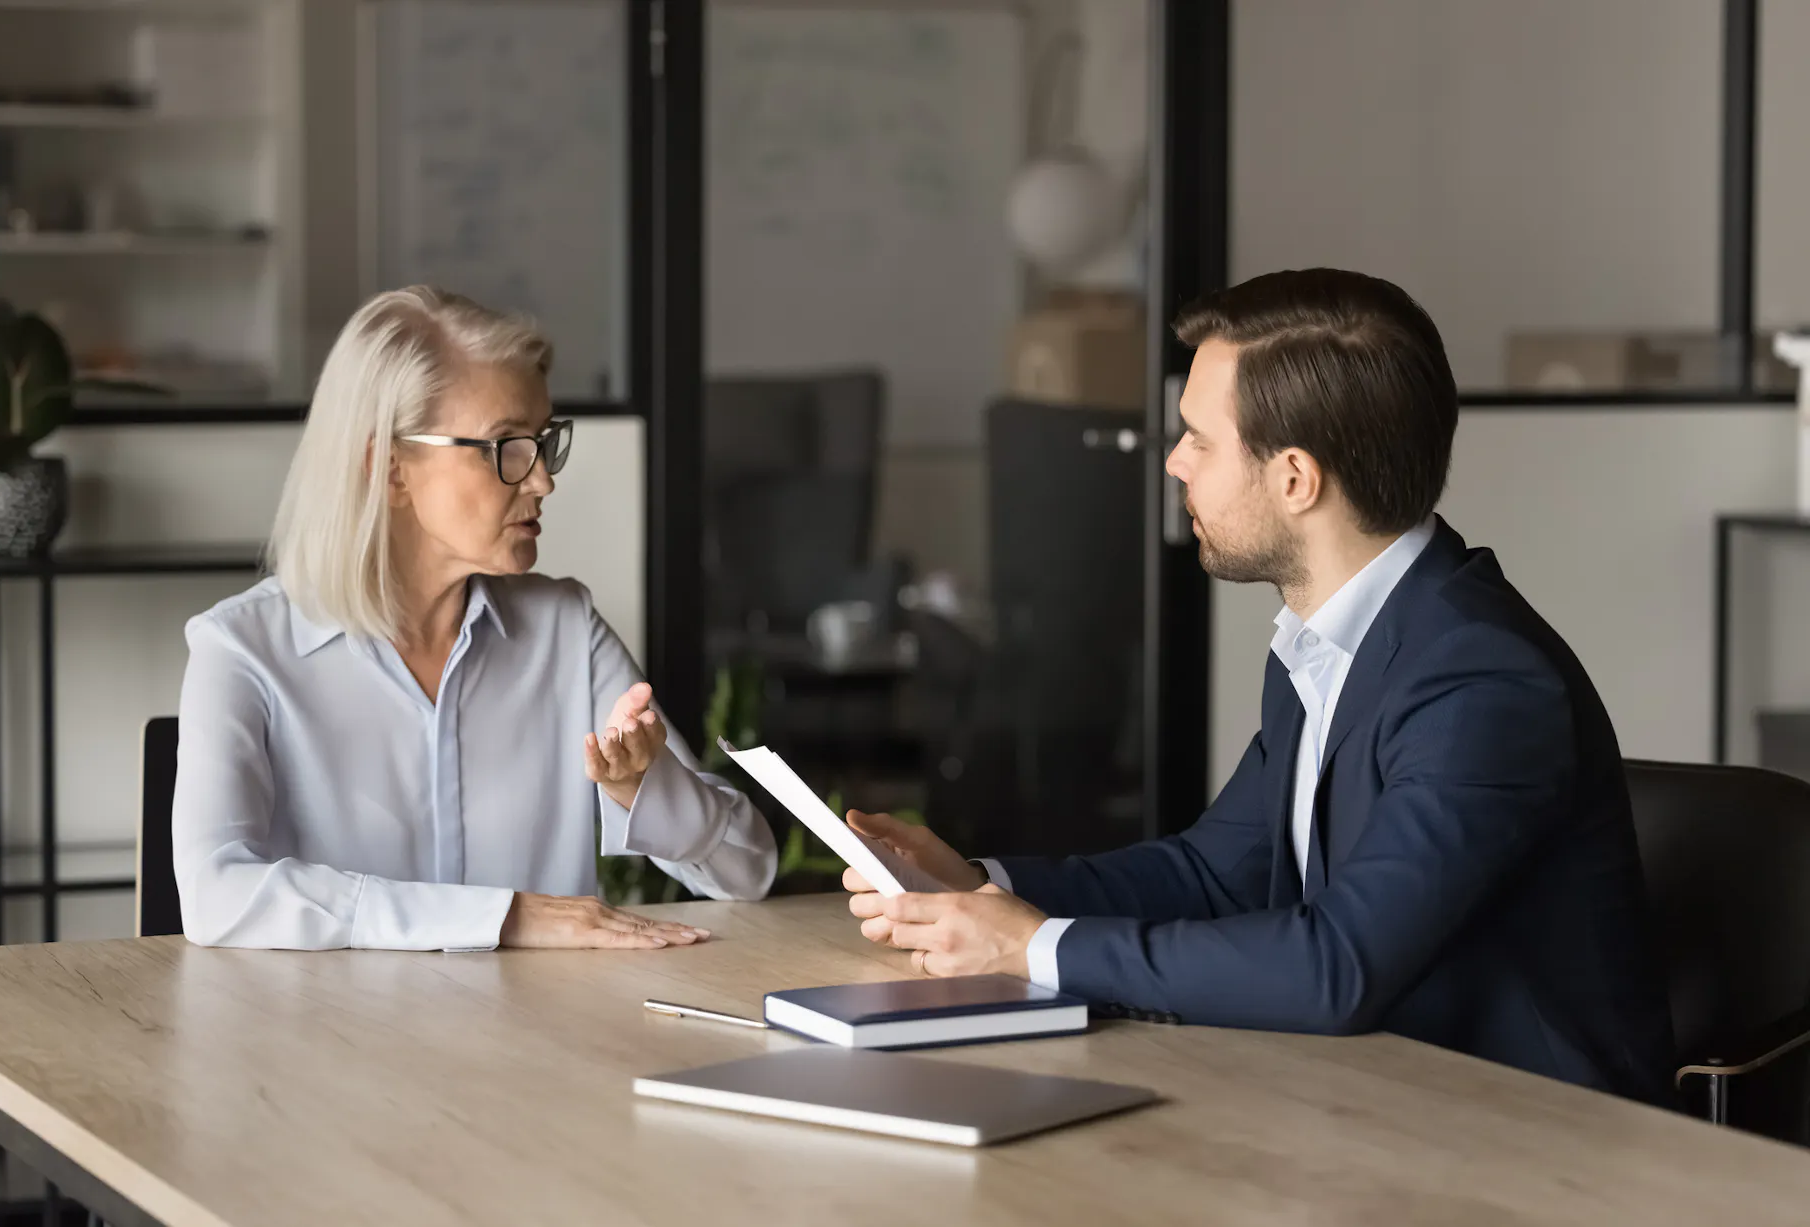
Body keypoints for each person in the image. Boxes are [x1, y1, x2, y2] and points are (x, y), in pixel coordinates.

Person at [844, 268, 1675, 1102]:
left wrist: (1030, 948)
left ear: (1294, 479)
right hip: (1375, 1105)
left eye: (1199, 439)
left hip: (1537, 1144)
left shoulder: (1481, 681)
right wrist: (984, 885)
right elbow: (1215, 874)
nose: (1172, 463)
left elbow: (1338, 966)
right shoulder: (1325, 644)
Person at [173, 287, 776, 950]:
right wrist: (506, 915)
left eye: (545, 442)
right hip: (335, 1044)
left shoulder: (564, 631)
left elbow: (747, 869)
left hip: (538, 1045)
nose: (542, 479)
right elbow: (215, 893)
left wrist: (643, 788)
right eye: (507, 446)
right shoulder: (241, 649)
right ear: (390, 466)